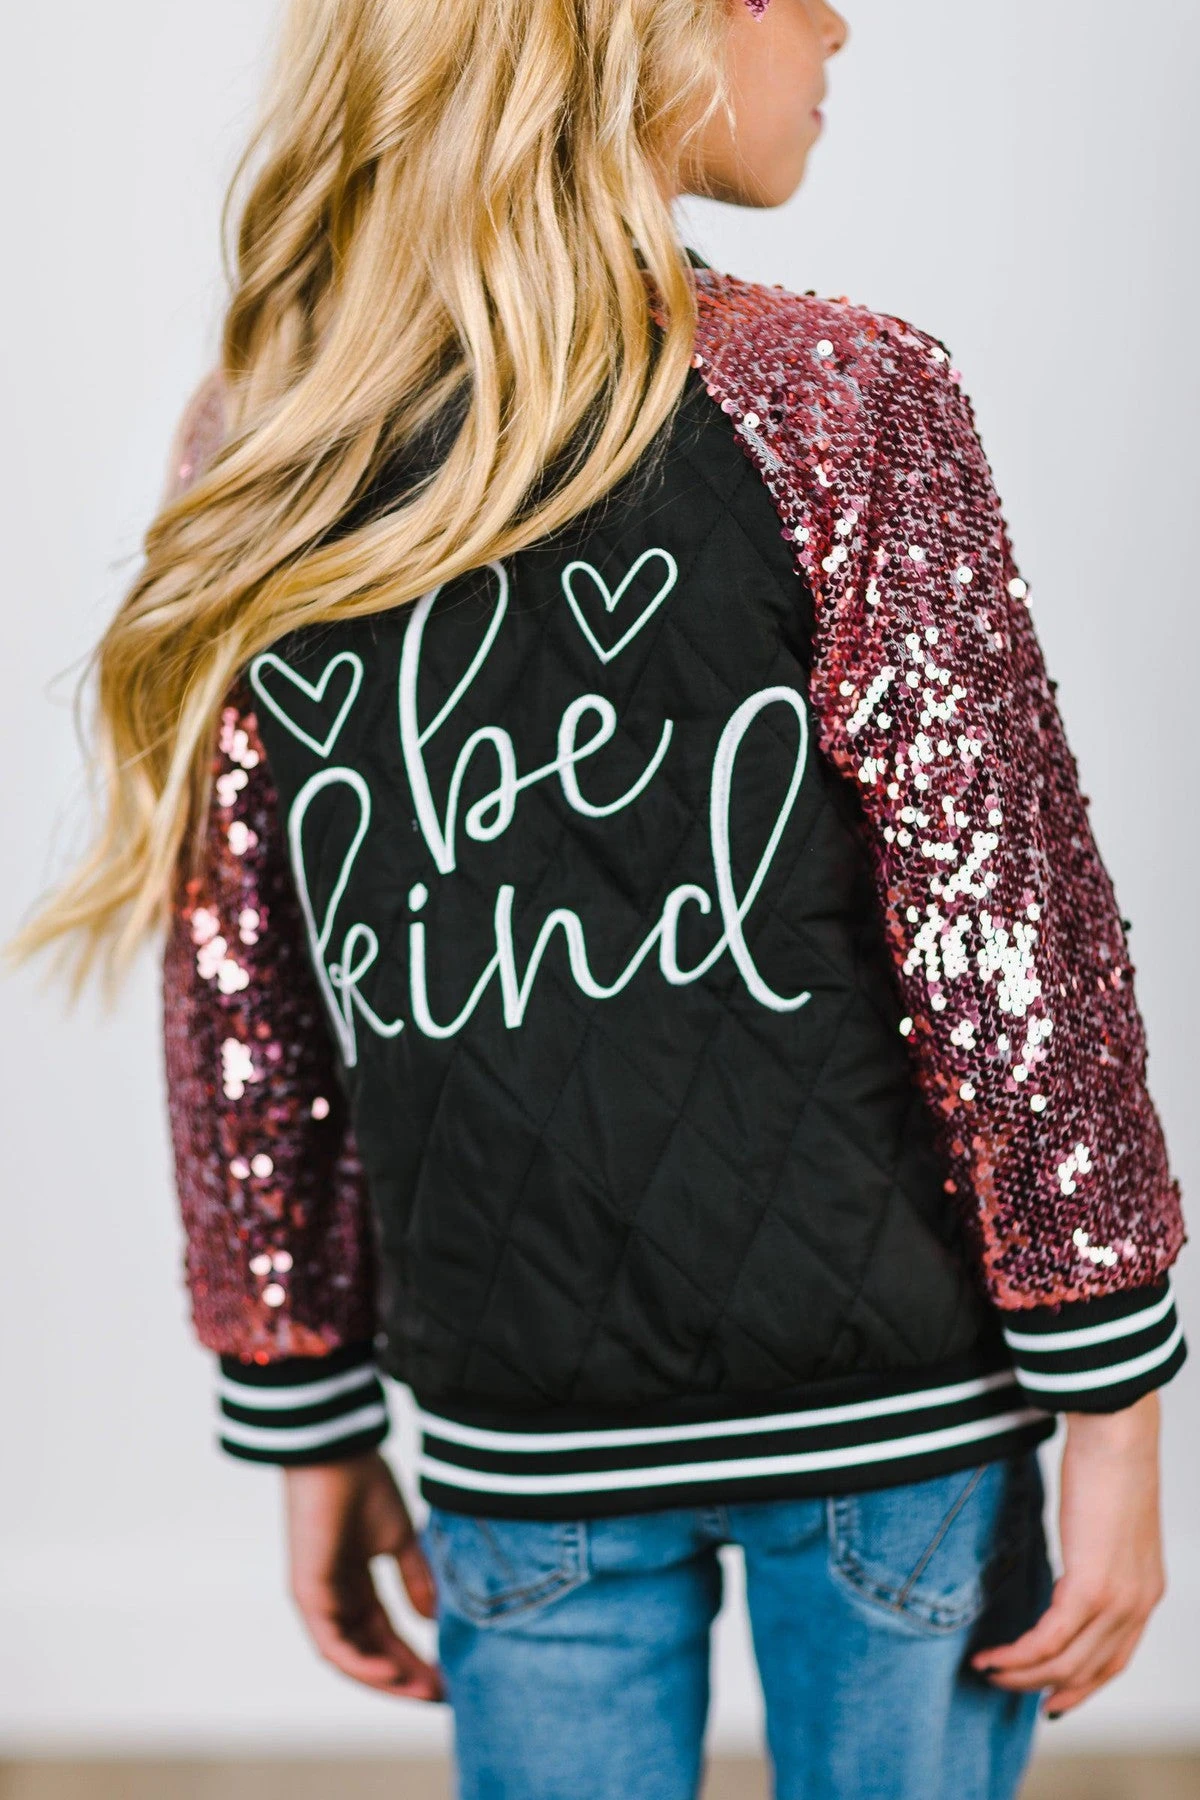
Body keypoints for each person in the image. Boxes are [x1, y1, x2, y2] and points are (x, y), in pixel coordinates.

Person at [14, 2, 1188, 1796]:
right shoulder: (841, 400)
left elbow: (243, 987)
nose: (839, 24)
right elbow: (1012, 941)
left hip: (530, 1432)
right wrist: (1112, 1401)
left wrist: (307, 1405)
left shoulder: (275, 444)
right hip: (887, 1423)